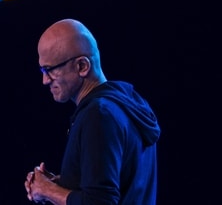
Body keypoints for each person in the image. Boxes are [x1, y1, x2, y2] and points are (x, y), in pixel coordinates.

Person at [24, 18, 161, 205]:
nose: (45, 80)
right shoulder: (126, 104)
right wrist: (62, 184)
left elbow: (99, 202)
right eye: (42, 70)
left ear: (82, 66)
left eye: (49, 70)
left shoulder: (99, 115)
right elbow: (116, 185)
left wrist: (47, 190)